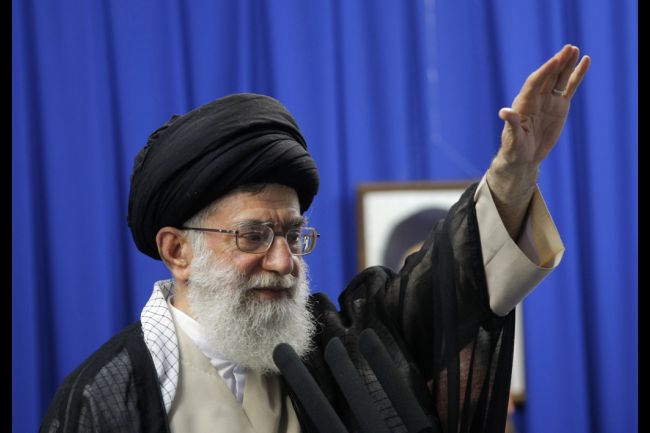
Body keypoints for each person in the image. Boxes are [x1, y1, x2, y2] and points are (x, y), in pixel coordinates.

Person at [40, 45, 590, 433]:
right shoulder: (107, 395)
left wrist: (513, 175)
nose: (283, 261)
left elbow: (444, 288)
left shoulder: (336, 348)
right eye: (254, 236)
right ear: (177, 251)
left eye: (294, 234)